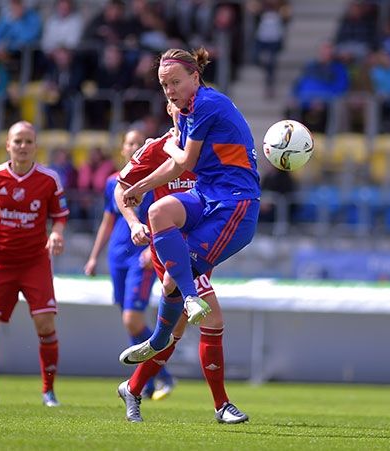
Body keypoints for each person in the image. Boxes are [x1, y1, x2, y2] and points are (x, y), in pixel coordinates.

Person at [116, 47, 260, 421]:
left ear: (195, 78)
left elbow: (189, 162)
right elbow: (121, 187)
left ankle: (133, 385)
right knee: (207, 317)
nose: (171, 94)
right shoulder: (160, 146)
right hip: (173, 241)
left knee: (176, 315)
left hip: (199, 228)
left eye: (175, 84)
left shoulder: (198, 131)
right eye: (165, 88)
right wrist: (134, 219)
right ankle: (221, 405)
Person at [0, 121, 69, 406]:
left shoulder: (49, 179)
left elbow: (60, 215)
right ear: (8, 145)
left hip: (35, 261)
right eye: (17, 141)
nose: (23, 147)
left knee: (45, 324)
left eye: (28, 142)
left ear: (36, 146)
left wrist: (56, 234)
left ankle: (48, 391)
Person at [84, 129, 175, 401]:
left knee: (132, 318)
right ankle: (145, 384)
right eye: (130, 143)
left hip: (142, 257)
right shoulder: (114, 182)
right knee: (130, 322)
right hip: (117, 255)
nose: (134, 146)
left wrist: (153, 249)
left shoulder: (158, 179)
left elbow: (164, 216)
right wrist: (93, 256)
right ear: (123, 149)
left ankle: (164, 375)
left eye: (139, 142)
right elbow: (108, 222)